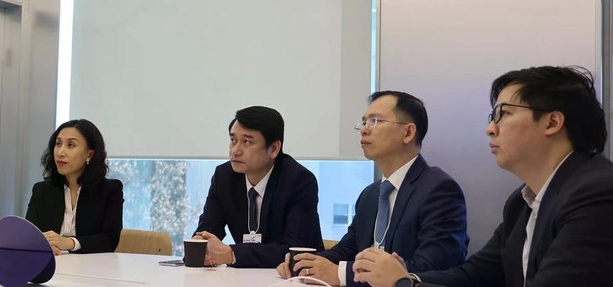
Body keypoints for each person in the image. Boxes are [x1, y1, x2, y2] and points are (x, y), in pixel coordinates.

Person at [353, 66, 613, 287]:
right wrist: (408, 279)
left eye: (503, 114)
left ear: (552, 122)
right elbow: (475, 275)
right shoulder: (522, 201)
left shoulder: (597, 194)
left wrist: (403, 283)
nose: (490, 128)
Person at [277, 91, 469, 286]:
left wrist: (342, 275)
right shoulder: (370, 194)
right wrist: (305, 264)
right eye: (363, 122)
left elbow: (434, 267)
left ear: (408, 132)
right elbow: (347, 249)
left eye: (375, 121)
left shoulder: (439, 190)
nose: (364, 130)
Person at [193, 106, 324, 268]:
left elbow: (295, 251)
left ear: (274, 149)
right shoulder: (224, 176)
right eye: (233, 140)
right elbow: (208, 230)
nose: (235, 150)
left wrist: (232, 254)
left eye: (247, 142)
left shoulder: (298, 181)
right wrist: (201, 243)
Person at [25, 119, 123, 255]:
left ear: (89, 154)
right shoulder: (41, 190)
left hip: (93, 270)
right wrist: (41, 246)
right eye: (58, 144)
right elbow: (30, 236)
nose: (60, 152)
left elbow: (109, 240)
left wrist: (69, 243)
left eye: (70, 145)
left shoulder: (110, 190)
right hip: (51, 266)